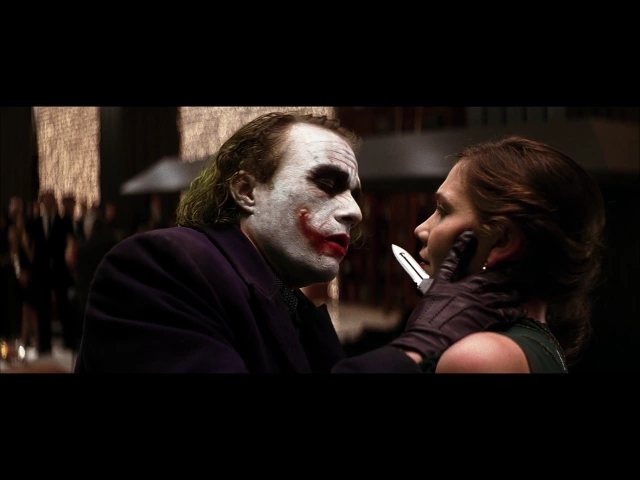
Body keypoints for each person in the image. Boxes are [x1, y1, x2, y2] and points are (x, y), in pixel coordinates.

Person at [74, 112, 523, 373]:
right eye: (327, 183)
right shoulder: (160, 266)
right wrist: (417, 344)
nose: (354, 212)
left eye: (355, 194)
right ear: (246, 190)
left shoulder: (289, 299)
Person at [394, 135, 605, 373]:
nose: (420, 229)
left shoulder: (479, 358)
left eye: (443, 210)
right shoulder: (540, 345)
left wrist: (418, 341)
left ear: (502, 241)